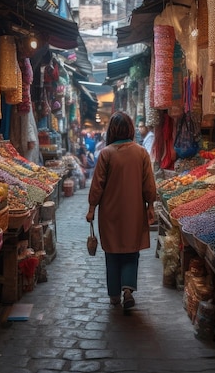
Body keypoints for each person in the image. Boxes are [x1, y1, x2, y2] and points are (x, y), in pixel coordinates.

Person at [86, 111, 157, 310]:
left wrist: (92, 208)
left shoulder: (106, 154)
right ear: (130, 129)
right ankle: (128, 290)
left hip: (110, 213)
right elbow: (149, 185)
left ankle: (114, 296)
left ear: (112, 131)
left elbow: (97, 186)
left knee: (112, 253)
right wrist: (150, 205)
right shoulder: (141, 152)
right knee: (131, 251)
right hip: (134, 211)